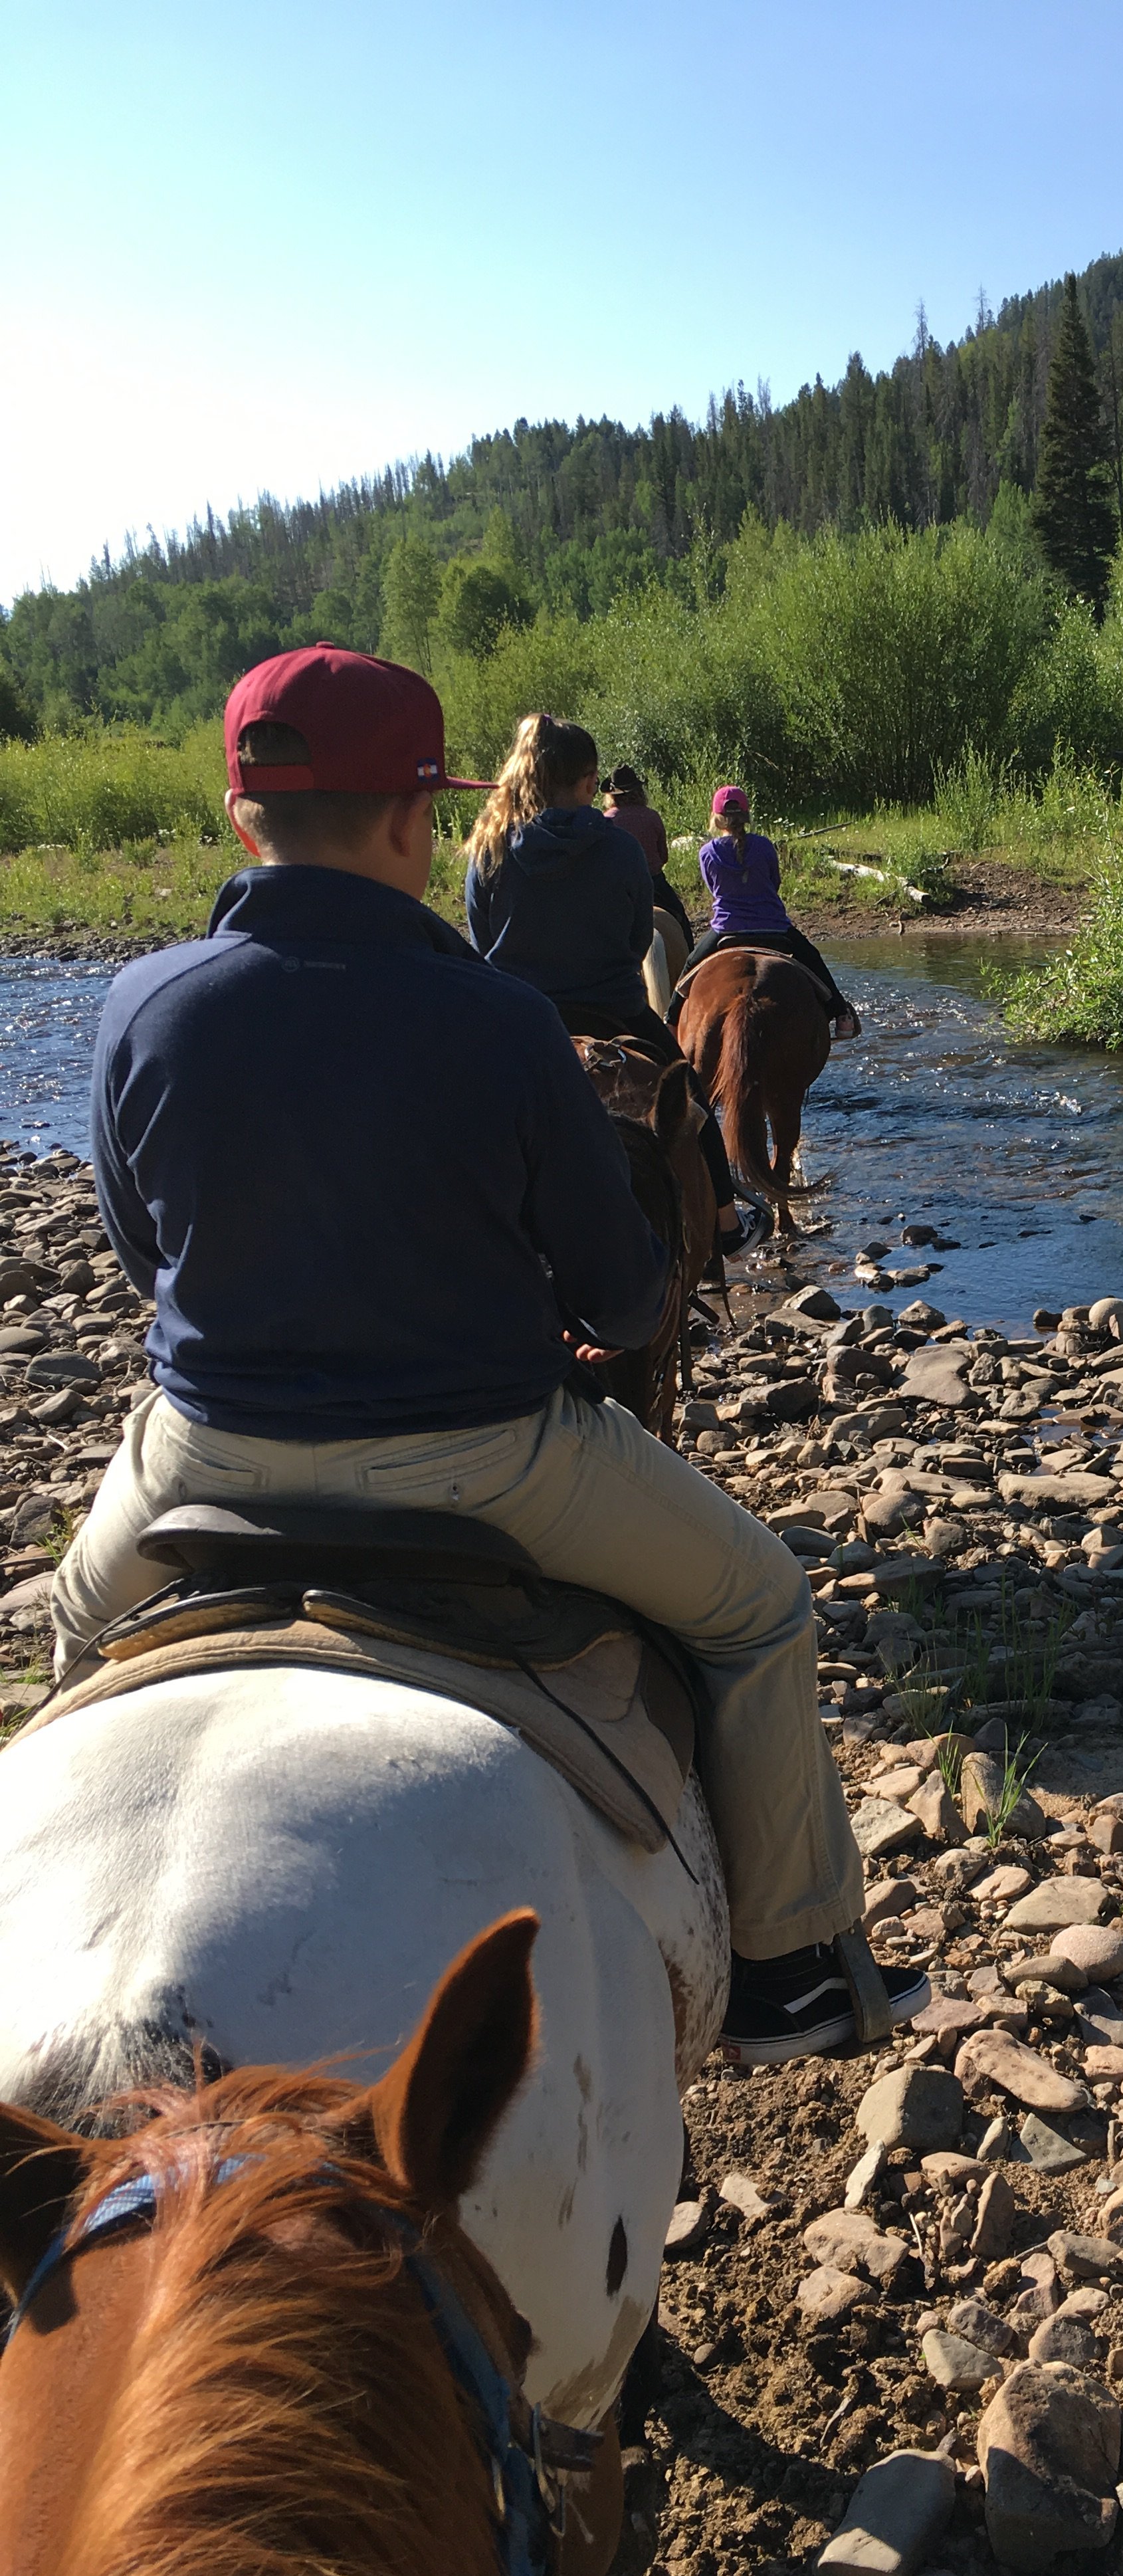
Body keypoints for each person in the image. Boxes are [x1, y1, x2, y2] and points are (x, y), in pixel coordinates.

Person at [54, 643, 919, 2066]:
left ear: (235, 819)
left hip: (205, 1452)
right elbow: (626, 1291)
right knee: (762, 1606)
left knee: (75, 1626)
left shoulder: (137, 1008)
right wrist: (603, 1325)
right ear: (411, 820)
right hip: (489, 1457)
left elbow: (149, 1265)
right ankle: (791, 1970)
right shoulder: (502, 1025)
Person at [466, 713, 748, 1255]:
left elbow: (481, 945)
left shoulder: (489, 848)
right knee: (691, 1105)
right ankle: (728, 1223)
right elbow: (637, 937)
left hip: (519, 1019)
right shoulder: (619, 848)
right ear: (588, 781)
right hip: (615, 1009)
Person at [686, 786, 861, 1039]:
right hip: (774, 928)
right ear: (746, 816)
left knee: (690, 967)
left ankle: (670, 1022)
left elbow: (714, 889)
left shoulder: (708, 853)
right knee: (812, 957)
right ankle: (841, 1015)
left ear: (716, 818)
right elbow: (774, 883)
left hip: (728, 930)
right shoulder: (765, 846)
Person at [603, 762, 691, 950]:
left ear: (612, 795)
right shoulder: (652, 817)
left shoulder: (606, 821)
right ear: (638, 792)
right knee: (680, 918)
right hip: (654, 883)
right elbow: (664, 857)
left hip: (618, 888)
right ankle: (690, 959)